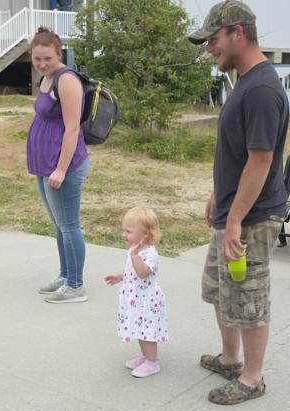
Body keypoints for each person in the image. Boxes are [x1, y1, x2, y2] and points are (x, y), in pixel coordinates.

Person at [189, 0, 289, 405]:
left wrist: (236, 221)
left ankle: (252, 378)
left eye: (213, 40)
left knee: (248, 295)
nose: (209, 48)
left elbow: (262, 160)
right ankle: (231, 358)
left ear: (238, 33)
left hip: (252, 218)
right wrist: (219, 195)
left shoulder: (262, 89)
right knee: (219, 290)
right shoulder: (243, 82)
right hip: (233, 211)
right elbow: (238, 153)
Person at [27, 26, 90, 304]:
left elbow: (73, 129)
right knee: (58, 225)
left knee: (69, 226)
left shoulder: (66, 80)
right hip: (46, 164)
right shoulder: (47, 78)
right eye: (37, 59)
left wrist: (62, 169)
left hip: (64, 165)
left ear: (58, 54)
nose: (42, 64)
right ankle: (66, 275)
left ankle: (76, 286)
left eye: (47, 59)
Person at [104, 207, 169, 378]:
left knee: (148, 331)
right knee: (140, 329)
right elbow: (133, 272)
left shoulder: (149, 254)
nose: (124, 234)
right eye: (123, 230)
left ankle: (152, 362)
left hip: (147, 300)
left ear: (145, 235)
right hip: (136, 298)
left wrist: (134, 257)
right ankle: (146, 357)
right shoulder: (136, 250)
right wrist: (121, 276)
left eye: (129, 231)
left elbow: (143, 273)